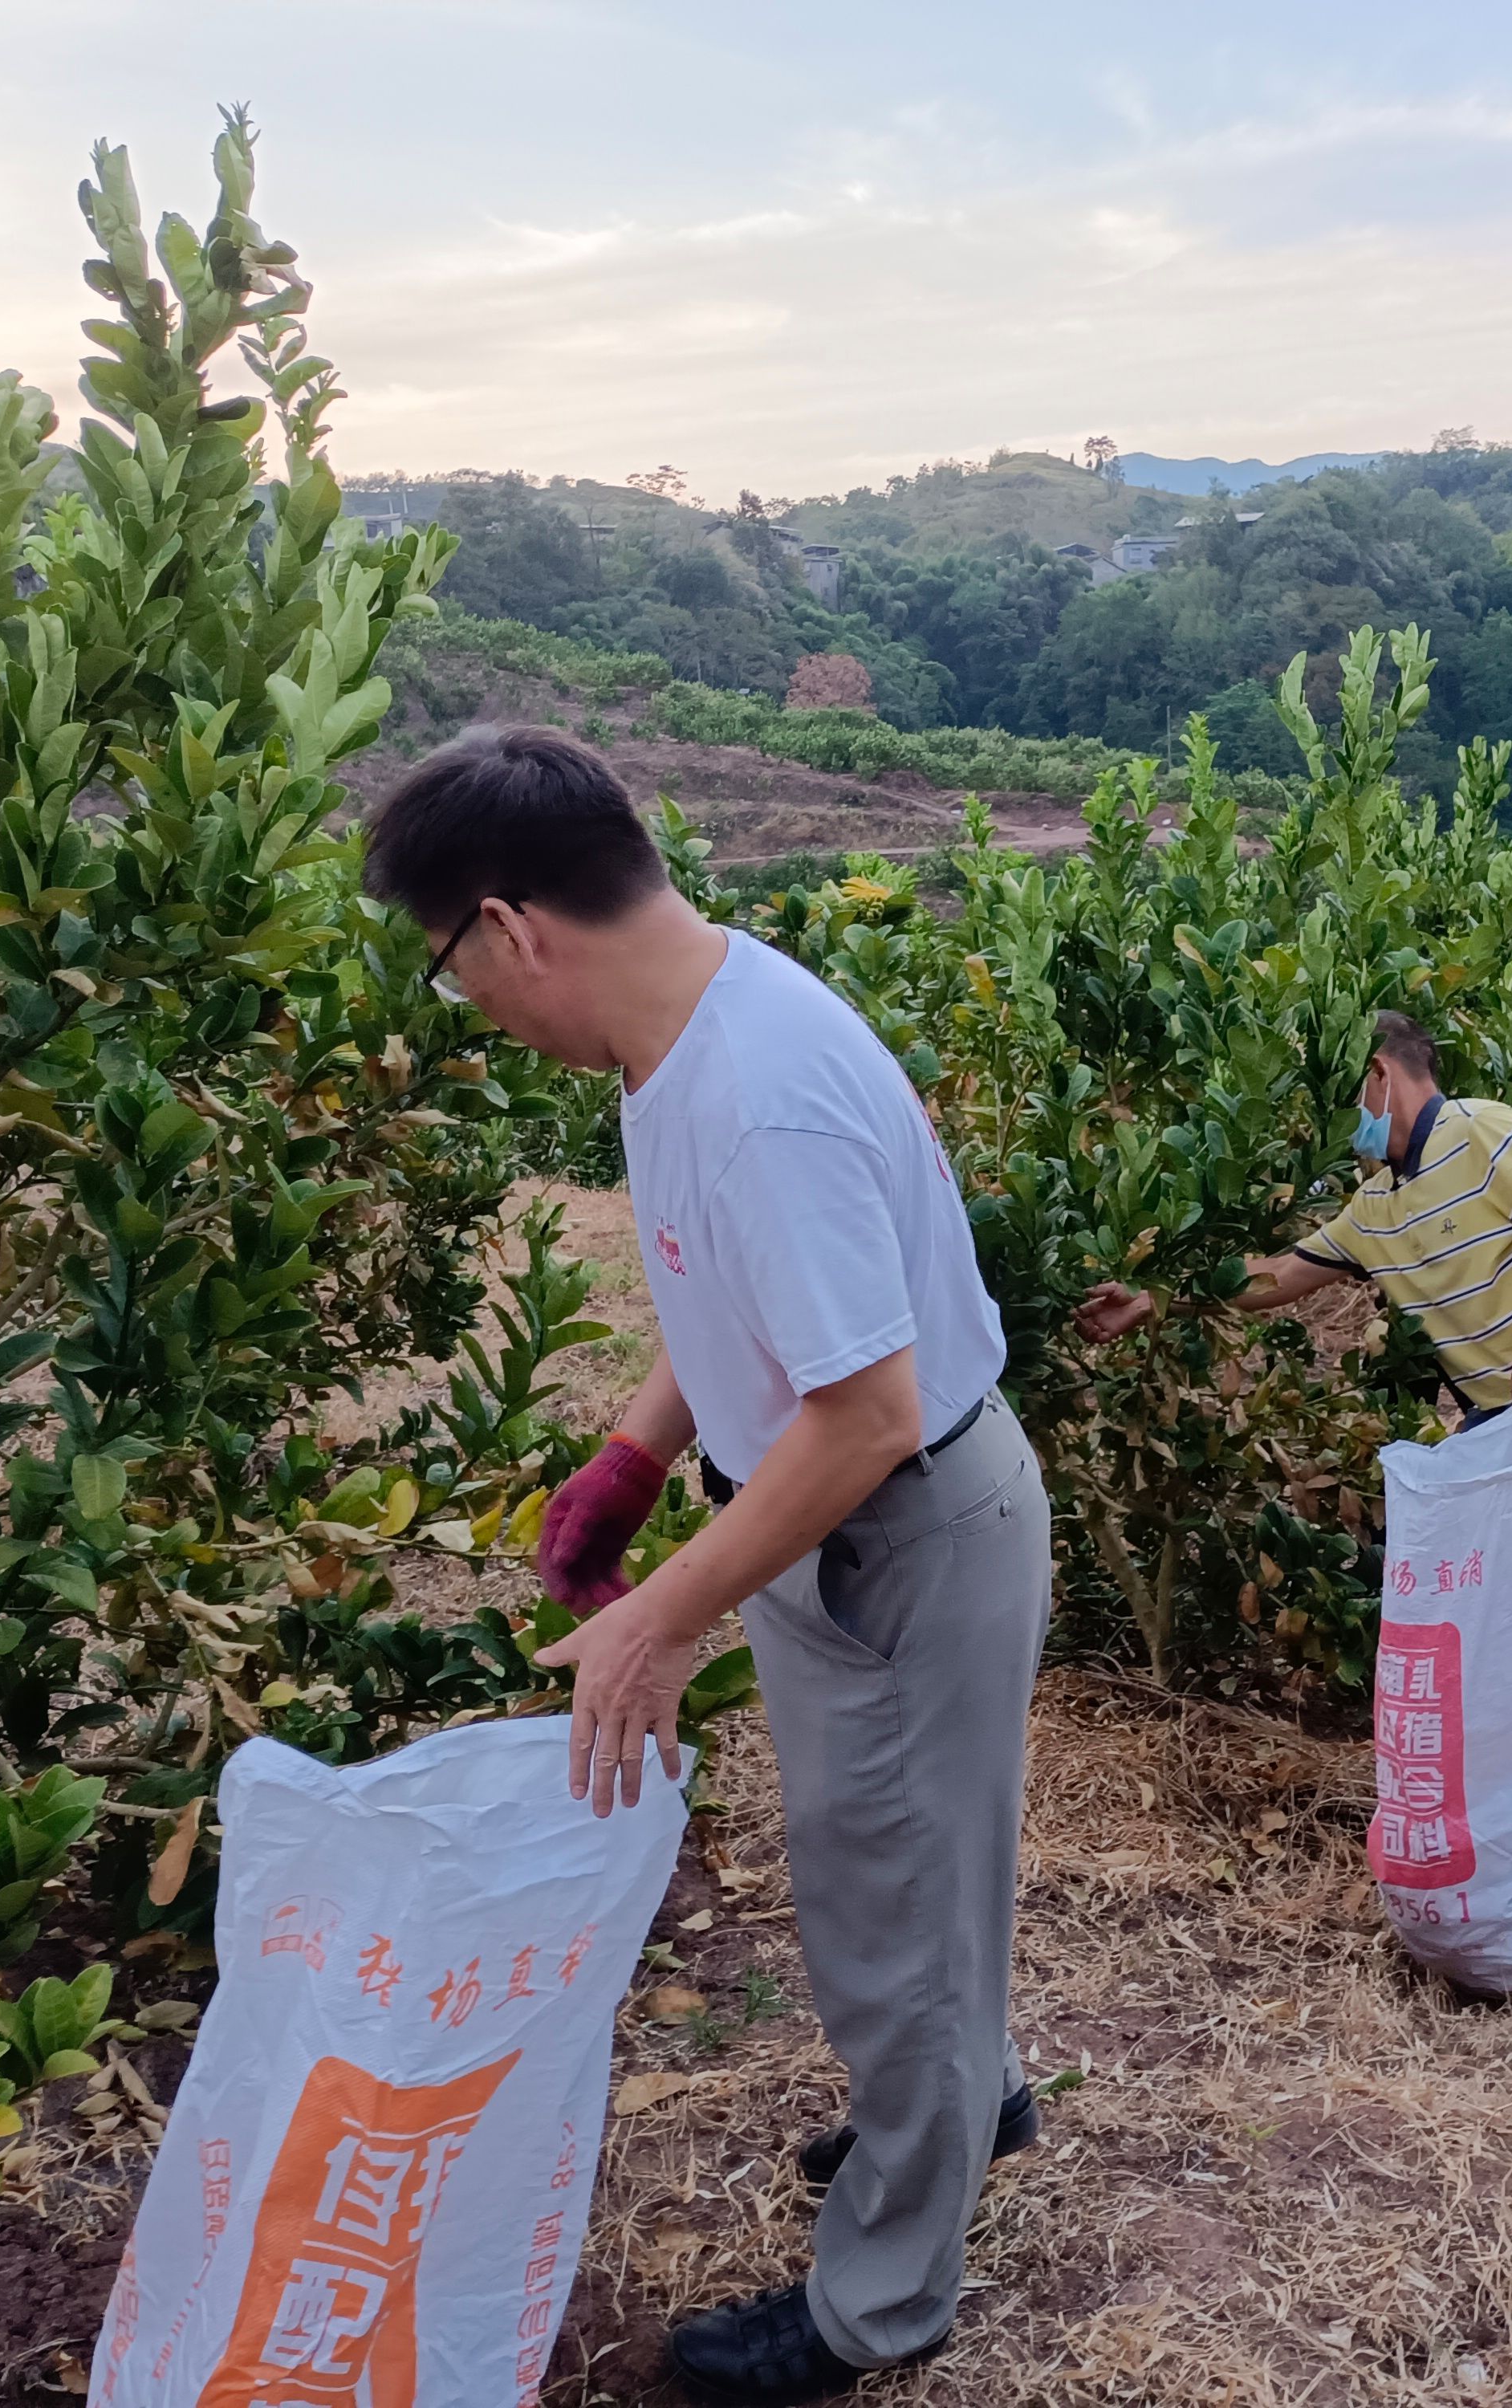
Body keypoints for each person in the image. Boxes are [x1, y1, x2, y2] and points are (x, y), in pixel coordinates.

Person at [365, 726, 1051, 2407]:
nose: (472, 1005)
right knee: (893, 1876)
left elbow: (866, 1415)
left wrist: (661, 1619)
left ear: (511, 927)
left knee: (897, 1904)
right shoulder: (692, 1027)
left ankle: (881, 2298)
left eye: (450, 967)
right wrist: (636, 1453)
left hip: (892, 1529)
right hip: (836, 1516)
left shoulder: (754, 1099)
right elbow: (754, 1303)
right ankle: (959, 2098)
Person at [1073, 1010, 1512, 1928]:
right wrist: (1154, 1302)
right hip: (1502, 1432)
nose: (1341, 1125)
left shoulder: (1480, 1131)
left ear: (1378, 1072)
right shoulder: (1376, 1203)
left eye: (1342, 1097)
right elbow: (1276, 1275)